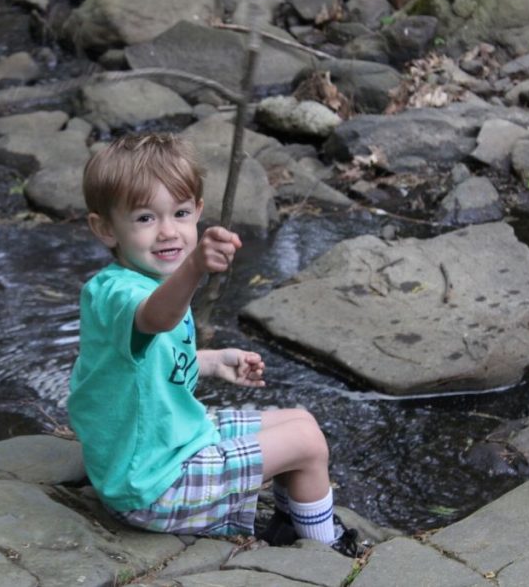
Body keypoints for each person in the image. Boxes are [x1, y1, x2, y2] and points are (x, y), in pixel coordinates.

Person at [67, 132, 359, 555]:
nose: (168, 232)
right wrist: (195, 266)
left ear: (198, 212)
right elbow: (154, 317)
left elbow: (148, 359)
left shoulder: (155, 280)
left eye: (180, 213)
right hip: (152, 485)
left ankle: (289, 524)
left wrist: (211, 361)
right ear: (105, 228)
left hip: (170, 445)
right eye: (146, 218)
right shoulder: (116, 293)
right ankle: (325, 556)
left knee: (301, 421)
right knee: (308, 445)